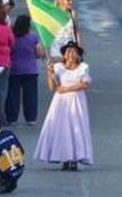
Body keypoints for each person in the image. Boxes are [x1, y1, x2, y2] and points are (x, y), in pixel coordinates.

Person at [34, 42, 93, 171]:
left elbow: (85, 84)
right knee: (62, 129)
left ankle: (75, 158)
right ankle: (64, 157)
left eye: (73, 52)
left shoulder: (83, 67)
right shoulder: (59, 67)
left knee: (75, 127)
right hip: (61, 103)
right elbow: (52, 87)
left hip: (76, 101)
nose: (70, 54)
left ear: (78, 55)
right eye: (68, 52)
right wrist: (49, 73)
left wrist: (67, 89)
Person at [7, 15, 43, 125]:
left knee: (13, 95)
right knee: (31, 96)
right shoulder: (33, 37)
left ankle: (12, 118)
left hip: (14, 69)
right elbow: (40, 53)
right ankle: (31, 118)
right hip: (30, 70)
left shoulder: (12, 37)